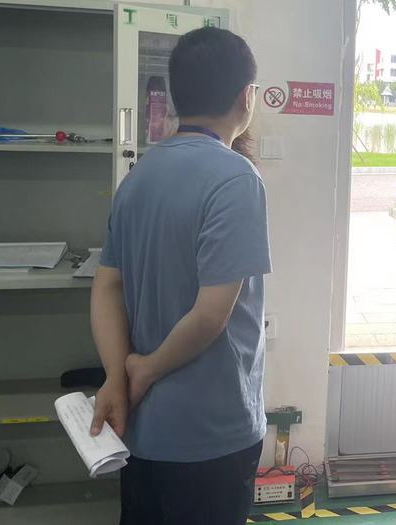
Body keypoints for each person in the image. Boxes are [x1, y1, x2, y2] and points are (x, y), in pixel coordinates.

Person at [89, 27, 270, 525]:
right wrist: (145, 369)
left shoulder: (139, 176)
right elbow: (212, 314)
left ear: (175, 95)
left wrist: (116, 376)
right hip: (212, 432)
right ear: (246, 97)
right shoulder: (236, 178)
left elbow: (106, 286)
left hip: (143, 427)